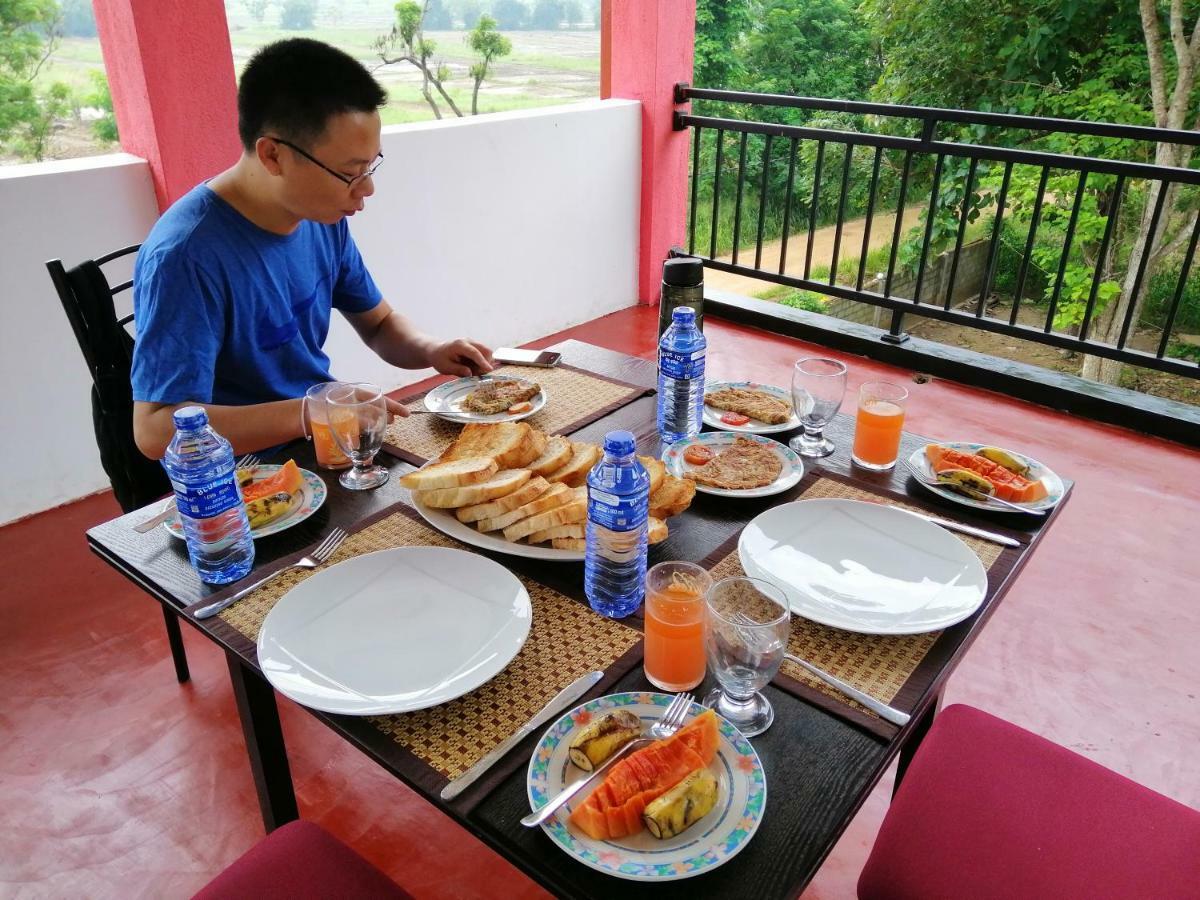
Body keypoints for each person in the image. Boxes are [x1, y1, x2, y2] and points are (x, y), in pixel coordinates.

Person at [131, 38, 493, 459]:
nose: (368, 188)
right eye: (350, 172)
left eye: (370, 166)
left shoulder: (321, 219)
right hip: (239, 473)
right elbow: (156, 430)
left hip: (320, 443)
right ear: (273, 155)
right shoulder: (187, 257)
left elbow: (379, 324)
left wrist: (432, 349)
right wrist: (311, 413)